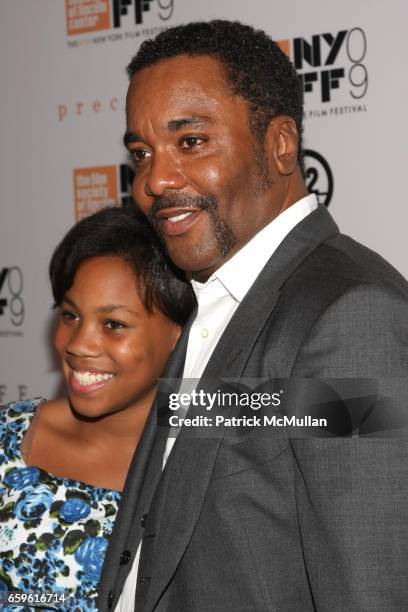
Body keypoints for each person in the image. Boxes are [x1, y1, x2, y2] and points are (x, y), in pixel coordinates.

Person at [98, 20, 408, 612]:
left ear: (281, 145)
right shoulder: (221, 299)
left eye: (191, 142)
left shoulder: (347, 319)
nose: (153, 181)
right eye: (142, 153)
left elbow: (373, 587)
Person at [0, 207, 195, 610]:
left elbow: (350, 410)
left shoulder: (208, 460)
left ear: (180, 334)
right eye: (70, 315)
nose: (78, 344)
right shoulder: (7, 435)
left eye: (113, 325)